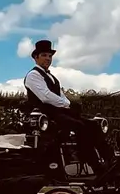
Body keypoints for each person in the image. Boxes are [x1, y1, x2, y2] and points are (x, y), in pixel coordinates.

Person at [23, 39, 109, 175]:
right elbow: (46, 96)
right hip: (46, 115)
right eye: (44, 55)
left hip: (59, 112)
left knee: (93, 125)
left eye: (50, 56)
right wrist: (67, 104)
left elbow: (61, 96)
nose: (48, 58)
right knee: (79, 126)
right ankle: (93, 163)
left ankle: (109, 158)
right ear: (36, 57)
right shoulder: (33, 75)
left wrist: (69, 105)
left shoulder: (52, 78)